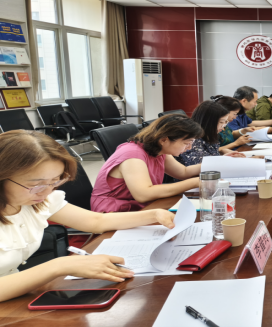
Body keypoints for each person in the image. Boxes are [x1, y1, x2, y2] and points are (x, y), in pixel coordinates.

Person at [0, 131, 176, 302]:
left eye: (55, 181)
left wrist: (154, 215)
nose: (47, 191)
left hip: (16, 295)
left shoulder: (36, 200)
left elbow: (95, 221)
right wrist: (60, 266)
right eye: (36, 185)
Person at [91, 114, 204, 213]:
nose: (189, 148)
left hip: (140, 207)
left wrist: (213, 166)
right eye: (186, 143)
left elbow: (183, 172)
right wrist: (195, 182)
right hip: (113, 212)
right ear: (164, 140)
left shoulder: (160, 150)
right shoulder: (132, 155)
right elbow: (143, 194)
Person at [175, 101, 245, 167]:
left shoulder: (210, 135)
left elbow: (211, 158)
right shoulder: (194, 140)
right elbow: (199, 166)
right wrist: (223, 159)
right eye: (221, 122)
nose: (224, 126)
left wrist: (223, 155)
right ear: (209, 122)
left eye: (225, 122)